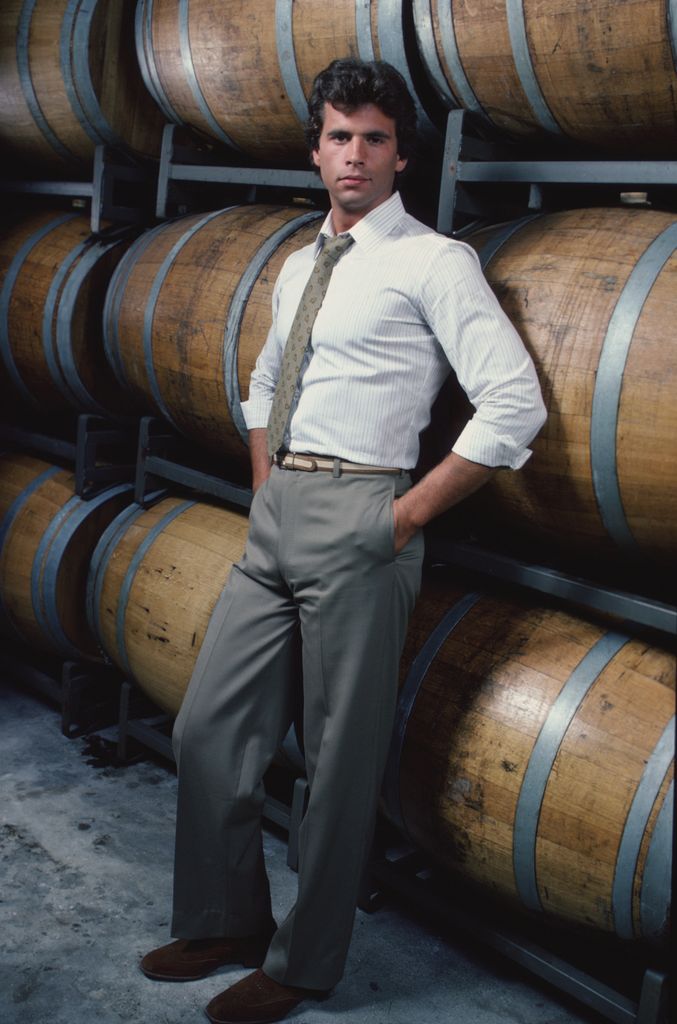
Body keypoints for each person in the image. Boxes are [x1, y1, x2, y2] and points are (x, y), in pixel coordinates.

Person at [139, 58, 547, 1024]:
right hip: (279, 513)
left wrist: (400, 517)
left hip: (367, 518)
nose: (353, 154)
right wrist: (260, 477)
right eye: (337, 136)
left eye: (372, 138)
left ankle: (303, 962)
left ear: (400, 154)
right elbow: (268, 378)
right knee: (209, 729)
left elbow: (512, 402)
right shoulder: (297, 262)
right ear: (314, 148)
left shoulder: (433, 262)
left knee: (337, 761)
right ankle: (226, 920)